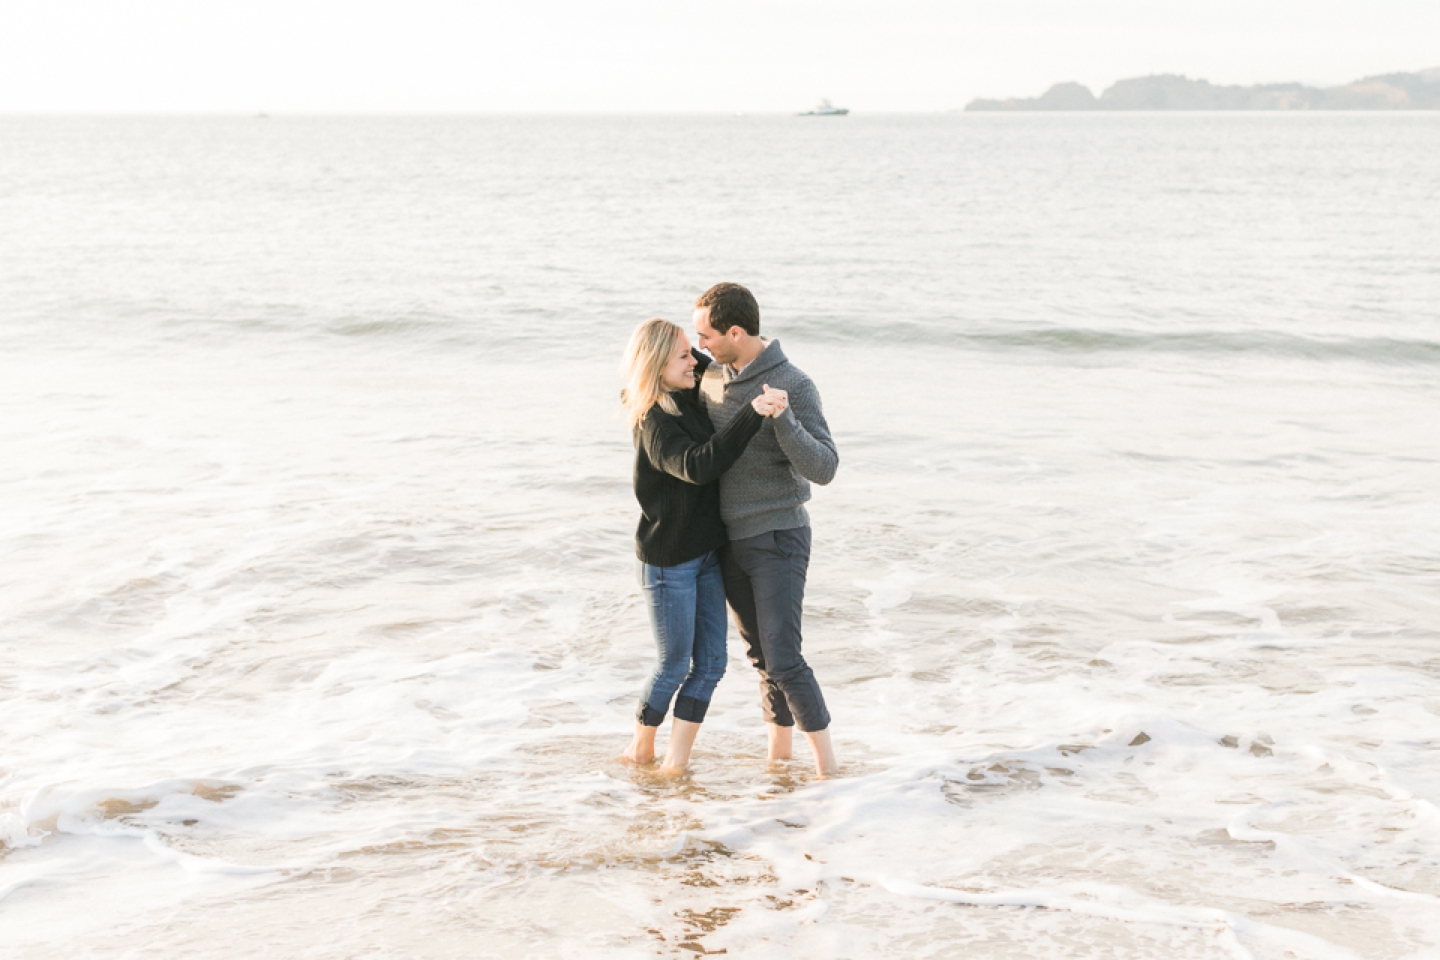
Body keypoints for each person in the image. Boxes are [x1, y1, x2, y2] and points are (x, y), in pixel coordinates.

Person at [620, 317, 789, 774]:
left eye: (692, 351)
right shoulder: (654, 419)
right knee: (674, 664)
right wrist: (753, 414)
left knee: (712, 661)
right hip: (668, 562)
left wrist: (736, 345)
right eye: (682, 355)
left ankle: (675, 765)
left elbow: (711, 360)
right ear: (656, 365)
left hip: (706, 555)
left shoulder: (688, 396)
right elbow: (698, 466)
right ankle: (639, 750)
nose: (694, 360)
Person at [692, 283, 841, 779]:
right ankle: (779, 759)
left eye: (708, 335)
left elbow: (824, 467)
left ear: (736, 332)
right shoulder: (711, 377)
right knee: (761, 658)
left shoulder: (793, 382)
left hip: (779, 535)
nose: (702, 344)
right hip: (729, 539)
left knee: (784, 658)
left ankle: (829, 769)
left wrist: (785, 421)